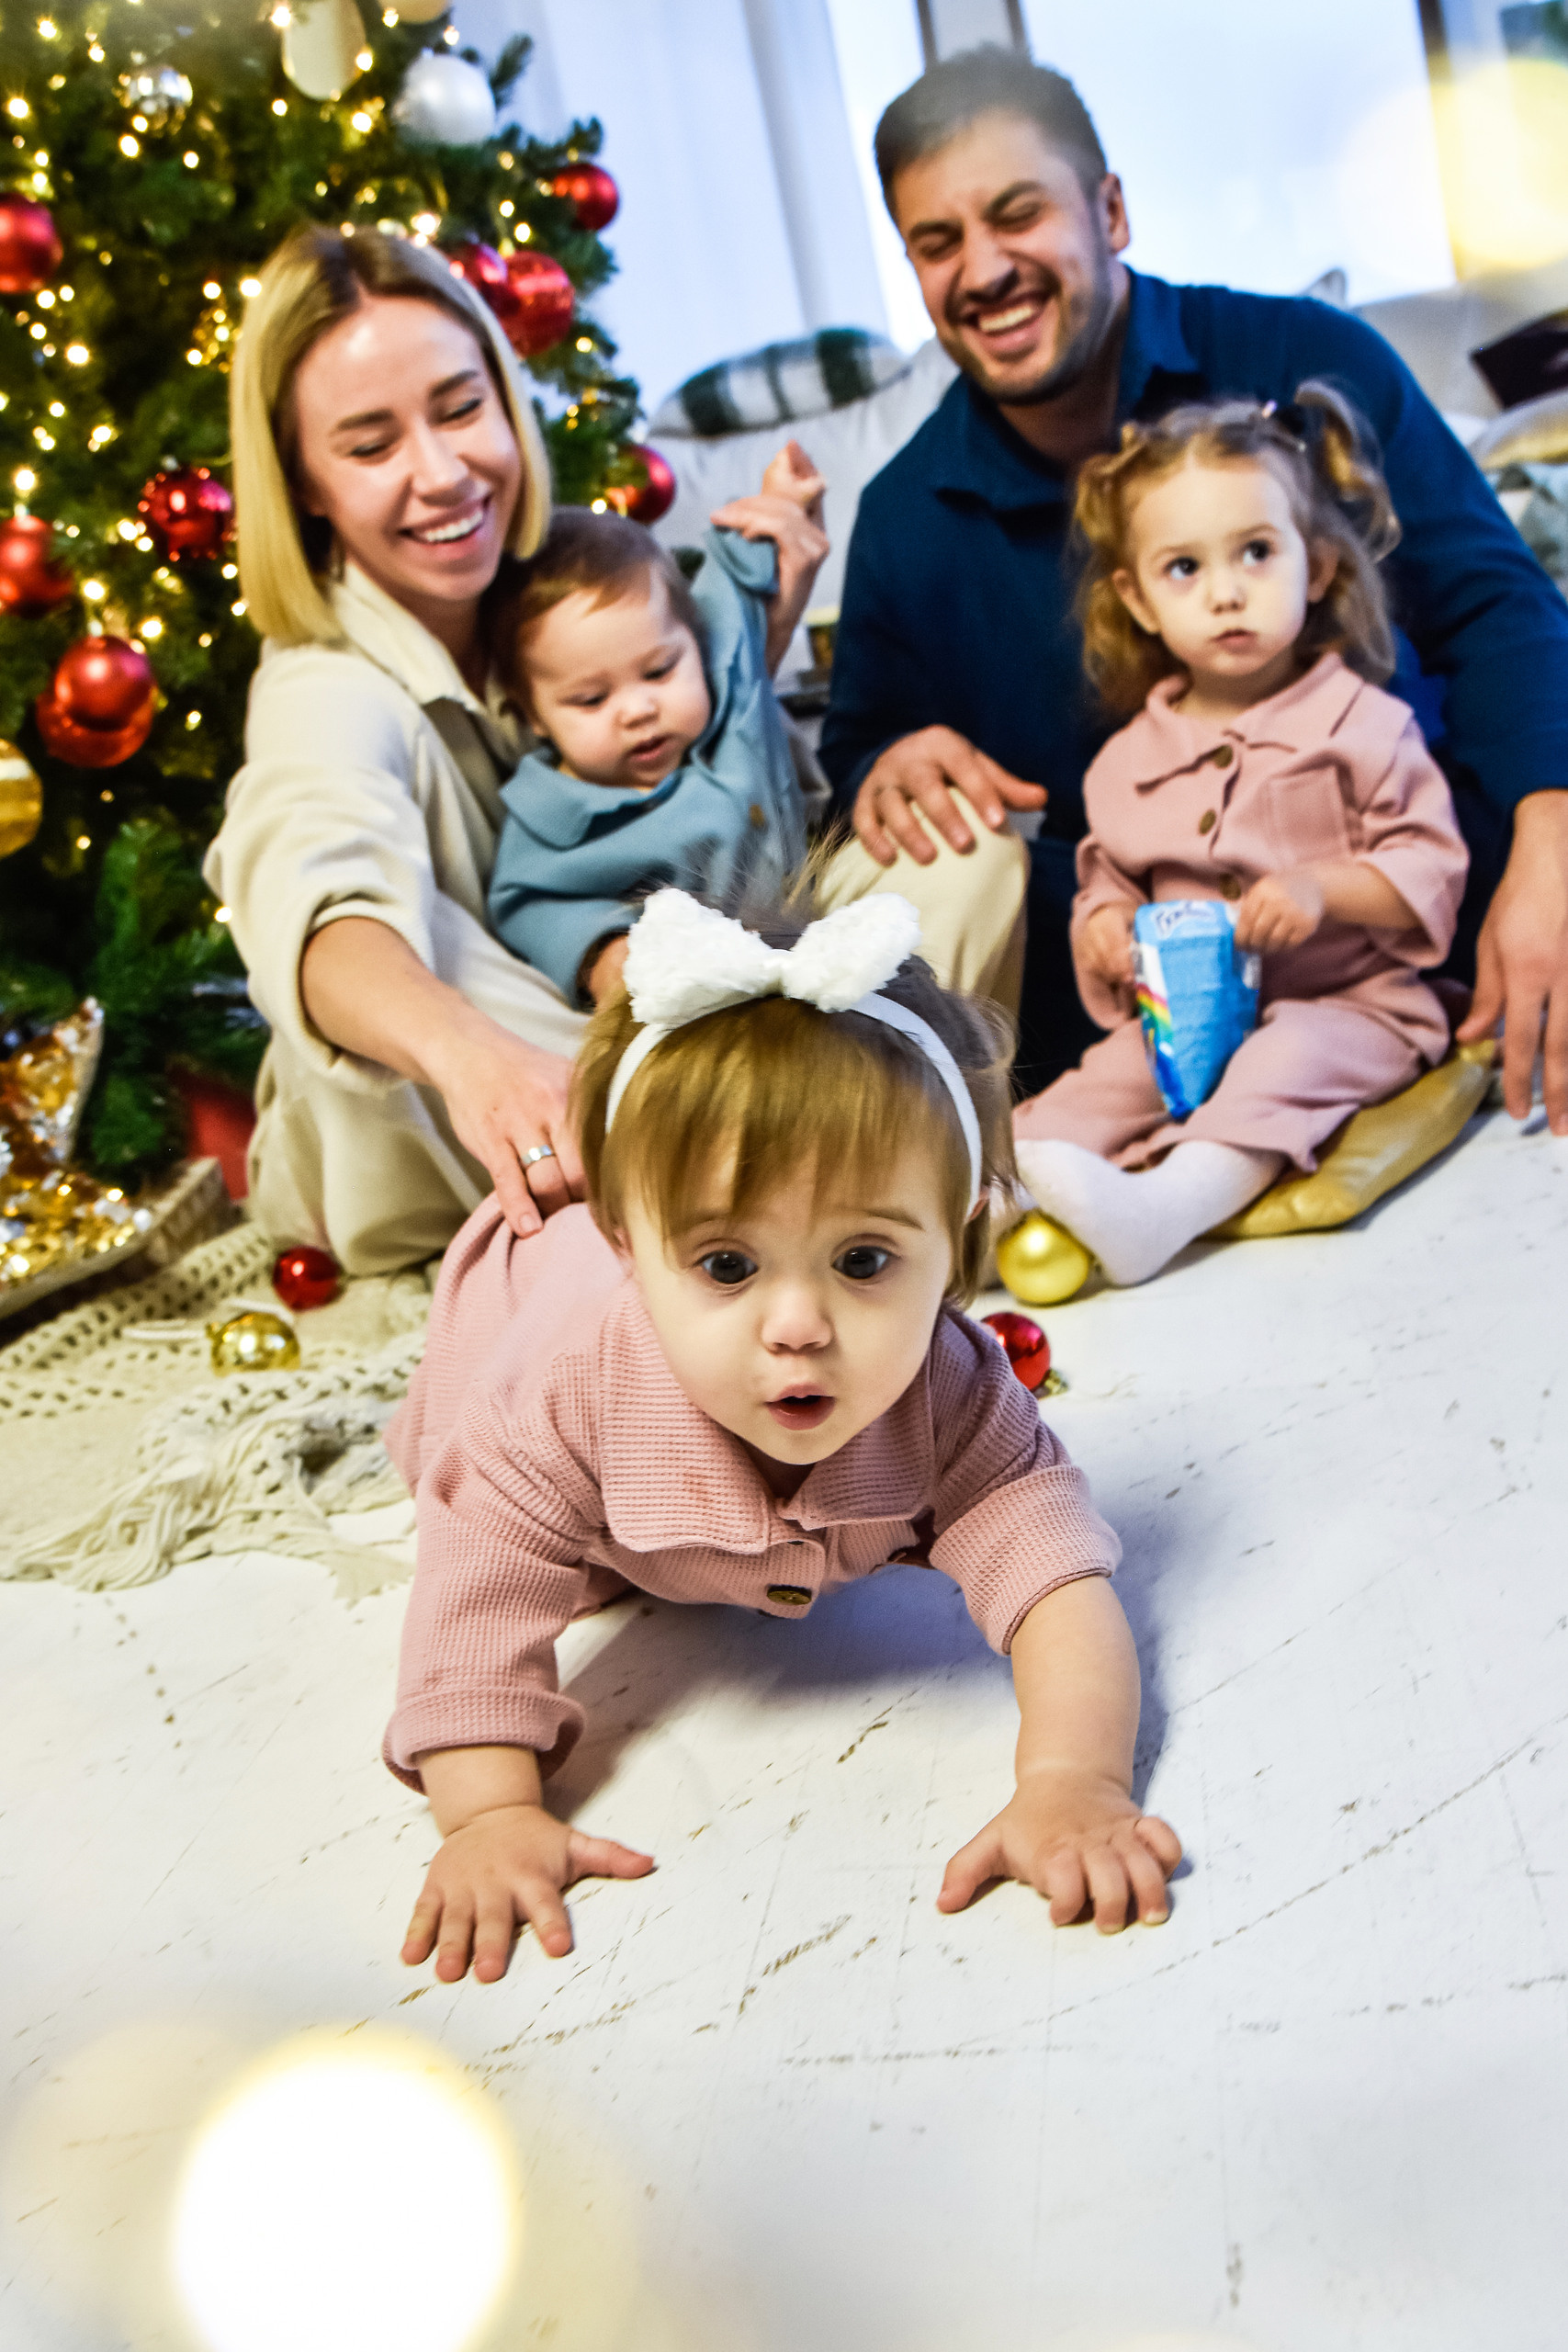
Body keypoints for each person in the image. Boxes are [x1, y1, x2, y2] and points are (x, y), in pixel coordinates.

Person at [384, 889, 1181, 1982]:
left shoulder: (952, 1388)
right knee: (535, 1537)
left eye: (864, 1261)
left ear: (956, 1243)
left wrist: (1074, 1778)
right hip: (518, 1312)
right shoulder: (554, 1396)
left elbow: (1057, 1577)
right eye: (726, 1264)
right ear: (629, 1242)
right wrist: (485, 1813)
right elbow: (472, 1602)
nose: (799, 1327)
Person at [209, 223, 1022, 1275]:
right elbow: (314, 883)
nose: (444, 471)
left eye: (463, 410)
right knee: (428, 950)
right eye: (371, 446)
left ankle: (851, 1163)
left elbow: (730, 801)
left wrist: (784, 696)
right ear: (306, 485)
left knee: (955, 853)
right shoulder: (320, 684)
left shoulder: (565, 578)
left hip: (684, 1038)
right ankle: (870, 1183)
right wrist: (478, 1062)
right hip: (501, 1095)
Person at [818, 46, 1568, 1129]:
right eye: (937, 245)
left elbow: (1505, 613)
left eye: (1017, 216)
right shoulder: (903, 518)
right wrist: (888, 760)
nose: (982, 271)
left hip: (1421, 945)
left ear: (1110, 210)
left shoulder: (1305, 357)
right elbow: (859, 751)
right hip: (1132, 1026)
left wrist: (1551, 861)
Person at [1010, 384, 1468, 1284]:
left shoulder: (1361, 724)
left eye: (1256, 553)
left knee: (1282, 1062)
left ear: (1319, 568)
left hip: (1352, 1006)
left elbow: (1428, 864)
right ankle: (986, 1205)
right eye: (1184, 569)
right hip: (1179, 1020)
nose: (1226, 593)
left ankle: (1163, 1209)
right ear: (1137, 600)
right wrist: (1102, 928)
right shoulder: (1126, 761)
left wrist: (1323, 888)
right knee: (1102, 1083)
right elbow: (1111, 880)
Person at [485, 445, 822, 1009]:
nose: (639, 709)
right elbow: (532, 908)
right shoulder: (551, 821)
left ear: (693, 642)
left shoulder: (723, 683)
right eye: (592, 700)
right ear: (533, 718)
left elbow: (732, 580)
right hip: (703, 1008)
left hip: (816, 925)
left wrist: (781, 500)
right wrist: (607, 958)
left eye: (660, 670)